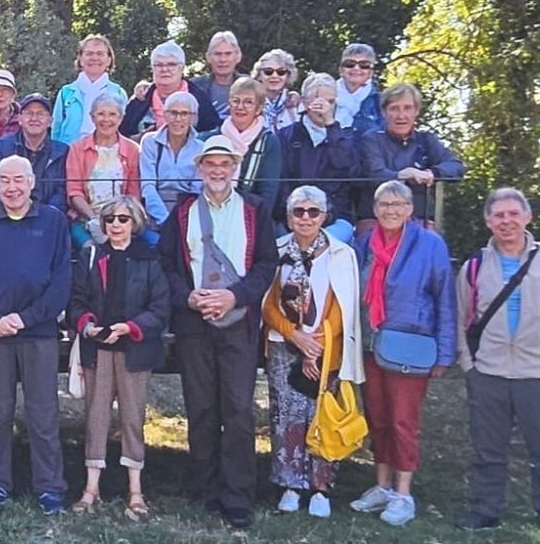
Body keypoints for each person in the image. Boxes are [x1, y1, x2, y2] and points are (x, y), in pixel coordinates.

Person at [156, 136, 280, 528]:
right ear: (200, 168)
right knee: (202, 408)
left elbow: (266, 264)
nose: (217, 170)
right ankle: (208, 487)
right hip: (194, 323)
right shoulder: (183, 213)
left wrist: (233, 296)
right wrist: (189, 298)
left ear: (235, 168)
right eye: (210, 163)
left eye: (224, 164)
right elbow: (167, 266)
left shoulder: (254, 210)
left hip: (238, 322)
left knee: (239, 409)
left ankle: (239, 494)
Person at [454, 189, 540, 544]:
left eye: (514, 214)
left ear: (528, 217)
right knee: (487, 450)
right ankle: (486, 509)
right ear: (488, 222)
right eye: (498, 215)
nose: (506, 221)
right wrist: (471, 366)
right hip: (490, 374)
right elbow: (461, 323)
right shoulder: (475, 267)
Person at [0, 155, 72, 515]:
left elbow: (61, 283)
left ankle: (50, 487)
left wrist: (25, 319)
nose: (12, 187)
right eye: (4, 180)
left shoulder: (53, 222)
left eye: (19, 180)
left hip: (38, 332)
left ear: (32, 183)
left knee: (43, 414)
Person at [348, 179, 457, 527]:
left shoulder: (429, 245)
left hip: (411, 345)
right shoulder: (364, 243)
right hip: (371, 344)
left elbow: (445, 299)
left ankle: (404, 492)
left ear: (410, 209)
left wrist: (444, 352)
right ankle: (381, 485)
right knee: (377, 418)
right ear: (375, 209)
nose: (390, 210)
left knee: (402, 421)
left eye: (398, 204)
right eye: (384, 204)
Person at [261, 186, 362, 519]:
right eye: (298, 211)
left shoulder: (340, 253)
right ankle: (289, 486)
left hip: (325, 346)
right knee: (286, 417)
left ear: (324, 215)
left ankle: (321, 488)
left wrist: (316, 343)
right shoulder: (275, 251)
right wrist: (295, 337)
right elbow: (268, 304)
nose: (305, 218)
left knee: (322, 414)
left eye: (312, 212)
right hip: (283, 346)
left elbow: (342, 305)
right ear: (289, 217)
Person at [65, 196, 169, 519]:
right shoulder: (91, 255)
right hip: (98, 349)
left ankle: (136, 492)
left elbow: (160, 307)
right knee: (95, 418)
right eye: (110, 219)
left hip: (135, 349)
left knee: (132, 419)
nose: (116, 225)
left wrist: (131, 327)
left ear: (134, 223)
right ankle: (90, 489)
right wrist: (89, 326)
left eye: (123, 219)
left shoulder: (149, 259)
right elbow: (76, 303)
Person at [361, 83, 464, 231]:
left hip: (419, 217)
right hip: (377, 217)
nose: (401, 115)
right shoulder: (371, 140)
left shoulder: (426, 139)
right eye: (394, 108)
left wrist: (432, 173)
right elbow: (374, 174)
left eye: (407, 108)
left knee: (430, 244)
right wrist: (402, 175)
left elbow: (456, 167)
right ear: (384, 112)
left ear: (416, 111)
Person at [277, 74, 364, 245]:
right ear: (304, 102)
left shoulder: (346, 135)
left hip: (336, 218)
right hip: (294, 218)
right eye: (317, 102)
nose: (323, 108)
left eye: (330, 102)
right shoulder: (286, 136)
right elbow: (281, 184)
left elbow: (349, 169)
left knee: (323, 244)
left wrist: (331, 126)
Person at [65, 92, 143, 247]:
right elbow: (74, 192)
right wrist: (93, 219)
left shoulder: (133, 149)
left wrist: (118, 221)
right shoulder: (77, 148)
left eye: (113, 114)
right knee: (90, 251)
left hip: (123, 219)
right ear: (92, 117)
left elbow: (133, 194)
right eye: (101, 114)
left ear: (121, 118)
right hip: (85, 220)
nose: (106, 120)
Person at [0, 93, 71, 213]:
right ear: (19, 119)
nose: (34, 118)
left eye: (40, 114)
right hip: (7, 214)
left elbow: (61, 192)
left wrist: (48, 216)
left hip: (47, 219)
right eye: (29, 113)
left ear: (50, 121)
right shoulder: (0, 147)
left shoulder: (62, 152)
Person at [123, 41, 221, 137]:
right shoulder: (140, 99)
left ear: (181, 67)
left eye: (171, 64)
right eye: (159, 65)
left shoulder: (198, 97)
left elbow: (212, 132)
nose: (165, 69)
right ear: (152, 68)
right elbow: (122, 134)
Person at [216, 77, 284, 212]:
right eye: (236, 101)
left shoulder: (269, 141)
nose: (240, 107)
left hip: (252, 213)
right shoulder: (215, 137)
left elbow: (268, 192)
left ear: (258, 109)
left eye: (248, 102)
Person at [140, 90, 204, 230]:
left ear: (193, 117)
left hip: (187, 213)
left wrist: (182, 221)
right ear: (165, 114)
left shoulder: (201, 148)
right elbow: (147, 186)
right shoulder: (150, 142)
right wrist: (165, 220)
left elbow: (196, 190)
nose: (178, 119)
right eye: (173, 113)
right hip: (153, 213)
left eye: (184, 114)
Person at [51, 34, 127, 145]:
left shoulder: (119, 93)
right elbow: (56, 129)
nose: (94, 58)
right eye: (89, 54)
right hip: (69, 154)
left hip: (106, 155)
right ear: (80, 59)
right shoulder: (66, 93)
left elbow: (124, 130)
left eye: (100, 54)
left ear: (109, 60)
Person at [190, 30, 247, 120]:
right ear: (208, 57)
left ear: (238, 56)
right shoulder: (195, 86)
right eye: (217, 54)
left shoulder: (250, 85)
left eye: (228, 54)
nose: (222, 59)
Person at [334, 42, 384, 134]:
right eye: (350, 64)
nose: (356, 68)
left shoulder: (381, 102)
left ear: (371, 72)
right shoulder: (325, 96)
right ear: (341, 70)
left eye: (364, 65)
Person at [255, 49, 301, 132]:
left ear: (288, 76)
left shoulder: (296, 105)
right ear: (259, 75)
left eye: (281, 72)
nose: (274, 76)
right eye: (268, 71)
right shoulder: (250, 102)